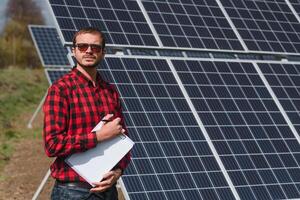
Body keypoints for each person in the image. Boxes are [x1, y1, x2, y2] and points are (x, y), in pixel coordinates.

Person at [43, 27, 131, 200]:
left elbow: (122, 139)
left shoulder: (110, 91)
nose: (89, 51)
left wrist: (118, 171)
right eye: (83, 46)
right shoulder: (61, 90)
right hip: (73, 192)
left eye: (95, 47)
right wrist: (99, 136)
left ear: (103, 53)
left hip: (108, 190)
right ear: (74, 51)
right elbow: (52, 144)